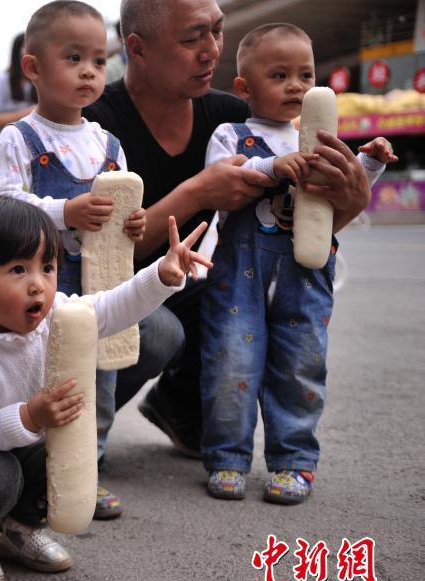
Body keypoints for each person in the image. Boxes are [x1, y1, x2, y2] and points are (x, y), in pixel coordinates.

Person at [84, 0, 374, 458]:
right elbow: (98, 250)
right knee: (158, 331)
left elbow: (288, 223)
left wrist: (351, 201)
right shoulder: (95, 125)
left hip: (192, 282)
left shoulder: (234, 120)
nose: (211, 51)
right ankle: (67, 438)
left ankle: (179, 405)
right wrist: (198, 192)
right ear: (137, 49)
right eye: (192, 38)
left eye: (217, 32)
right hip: (105, 293)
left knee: (241, 291)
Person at [0, 195, 210, 581]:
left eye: (47, 267)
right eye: (18, 269)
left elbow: (107, 309)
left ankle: (19, 528)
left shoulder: (54, 317)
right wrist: (31, 417)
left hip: (11, 449)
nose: (39, 284)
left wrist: (161, 276)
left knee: (64, 458)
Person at [200, 23, 396, 504]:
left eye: (305, 75)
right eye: (280, 75)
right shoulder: (233, 134)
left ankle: (293, 462)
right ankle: (227, 457)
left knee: (300, 364)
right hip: (237, 274)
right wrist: (271, 167)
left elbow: (344, 190)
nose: (296, 86)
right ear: (245, 87)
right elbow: (220, 177)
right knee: (231, 362)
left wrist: (370, 162)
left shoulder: (321, 137)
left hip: (304, 276)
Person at [0, 0, 146, 520]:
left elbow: (122, 211)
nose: (89, 71)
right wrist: (63, 210)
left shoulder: (109, 143)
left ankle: (84, 470)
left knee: (95, 380)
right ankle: (32, 478)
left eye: (100, 61)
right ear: (33, 67)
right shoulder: (20, 138)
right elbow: (1, 206)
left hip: (97, 282)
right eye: (73, 57)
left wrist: (132, 223)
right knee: (36, 381)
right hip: (37, 287)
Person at [0, 33, 38, 144]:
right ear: (17, 51)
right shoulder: (2, 82)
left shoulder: (40, 77)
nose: (30, 50)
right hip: (8, 144)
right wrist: (28, 112)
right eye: (25, 46)